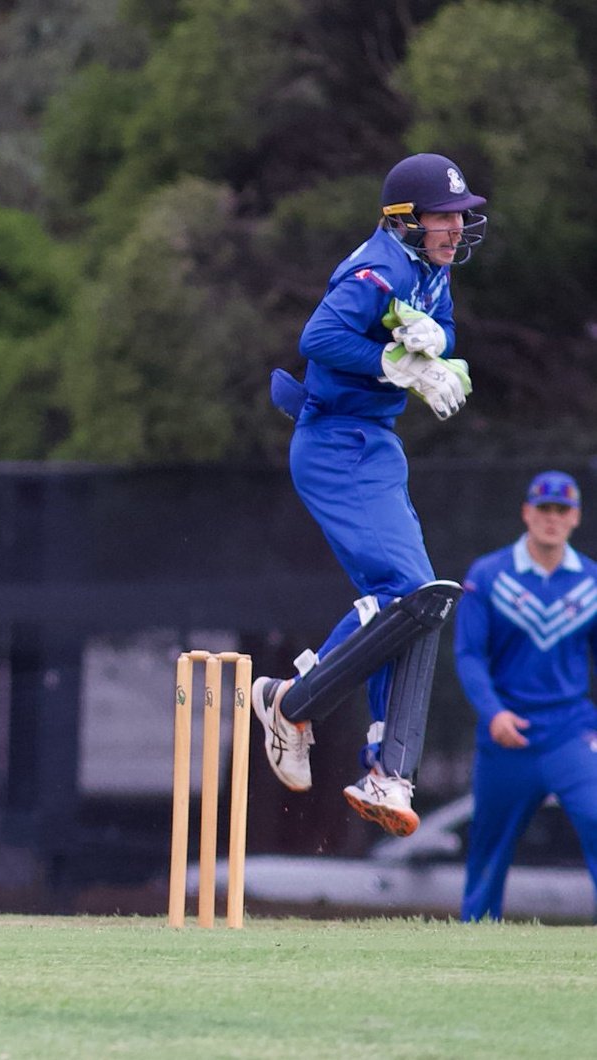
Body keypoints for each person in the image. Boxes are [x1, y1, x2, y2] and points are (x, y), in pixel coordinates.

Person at [251, 152, 488, 837]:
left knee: (413, 602)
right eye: (443, 216)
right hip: (335, 445)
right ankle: (308, 714)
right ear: (404, 220)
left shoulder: (429, 270)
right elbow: (319, 336)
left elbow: (440, 347)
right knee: (416, 595)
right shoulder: (379, 268)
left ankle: (370, 760)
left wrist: (441, 355)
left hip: (372, 444)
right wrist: (397, 362)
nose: (455, 227)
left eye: (460, 215)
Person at [455, 470, 597, 921]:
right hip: (506, 737)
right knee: (488, 850)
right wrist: (493, 713)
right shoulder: (489, 574)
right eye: (543, 509)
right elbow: (469, 654)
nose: (552, 519)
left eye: (562, 510)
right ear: (526, 513)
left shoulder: (591, 581)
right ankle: (474, 942)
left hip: (569, 732)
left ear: (575, 517)